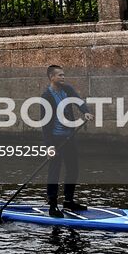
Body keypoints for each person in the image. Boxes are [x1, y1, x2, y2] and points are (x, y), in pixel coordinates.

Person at [41, 64, 93, 217]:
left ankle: (68, 201)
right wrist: (49, 147)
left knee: (73, 169)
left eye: (64, 75)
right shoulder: (46, 97)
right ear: (52, 77)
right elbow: (45, 124)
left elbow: (79, 101)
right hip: (56, 139)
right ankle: (52, 205)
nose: (63, 77)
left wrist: (86, 112)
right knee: (54, 171)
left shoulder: (67, 89)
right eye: (60, 75)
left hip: (69, 137)